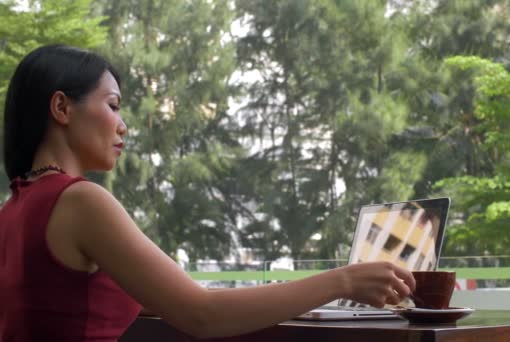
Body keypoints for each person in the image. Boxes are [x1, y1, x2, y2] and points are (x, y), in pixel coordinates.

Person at [0, 44, 415, 341]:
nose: (123, 125)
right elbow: (200, 315)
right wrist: (342, 280)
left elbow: (171, 297)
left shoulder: (15, 207)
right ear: (62, 108)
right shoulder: (80, 201)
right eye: (113, 105)